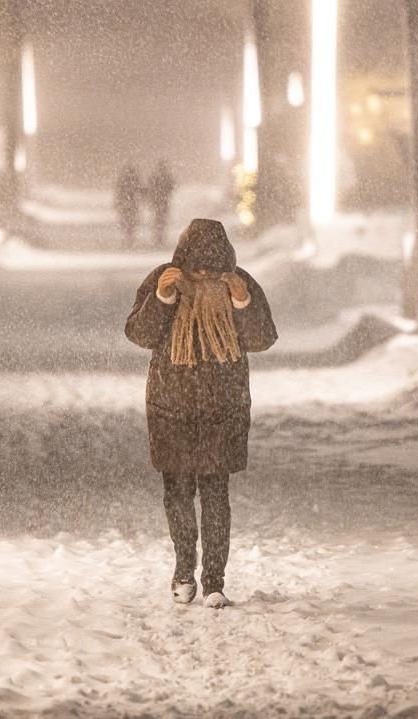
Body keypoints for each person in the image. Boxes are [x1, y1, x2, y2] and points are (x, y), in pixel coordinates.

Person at [124, 219, 277, 608]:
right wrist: (162, 297)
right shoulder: (165, 278)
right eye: (198, 268)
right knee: (177, 493)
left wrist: (242, 302)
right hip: (170, 407)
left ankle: (213, 581)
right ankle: (182, 571)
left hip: (221, 408)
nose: (206, 276)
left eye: (214, 268)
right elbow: (140, 334)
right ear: (185, 260)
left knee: (214, 494)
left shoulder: (238, 283)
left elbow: (261, 338)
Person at [145, 161, 176, 246]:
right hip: (162, 201)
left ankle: (159, 237)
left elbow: (150, 188)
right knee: (161, 220)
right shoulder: (164, 177)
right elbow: (172, 186)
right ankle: (160, 237)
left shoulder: (156, 177)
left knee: (158, 220)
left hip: (158, 201)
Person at [115, 165, 142, 247]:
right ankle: (129, 239)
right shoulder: (134, 180)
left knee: (127, 222)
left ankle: (127, 239)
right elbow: (139, 192)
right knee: (130, 222)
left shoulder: (123, 181)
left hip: (127, 204)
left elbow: (118, 193)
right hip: (130, 205)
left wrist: (118, 203)